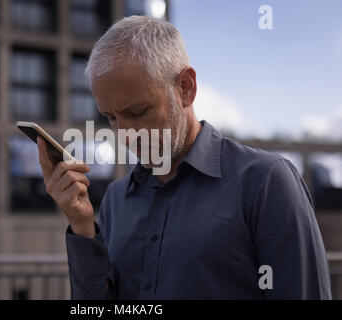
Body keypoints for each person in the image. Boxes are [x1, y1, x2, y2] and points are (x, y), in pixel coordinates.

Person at [37, 16, 332, 299]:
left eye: (137, 112)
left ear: (185, 88)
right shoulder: (116, 199)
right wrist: (83, 228)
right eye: (111, 118)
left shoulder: (266, 183)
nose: (125, 134)